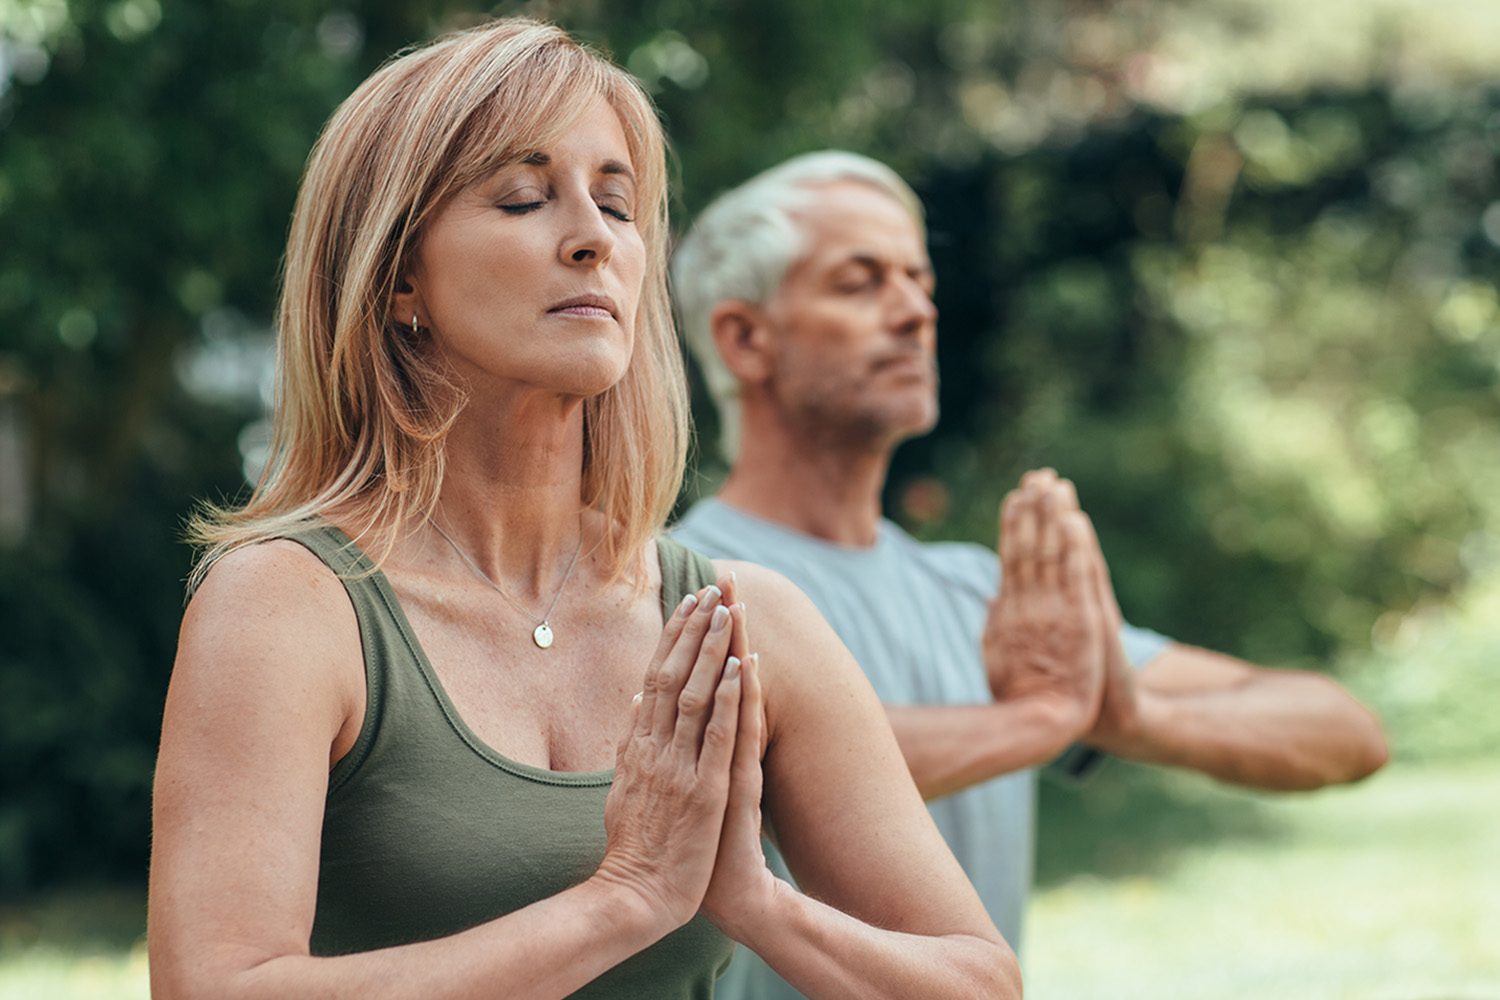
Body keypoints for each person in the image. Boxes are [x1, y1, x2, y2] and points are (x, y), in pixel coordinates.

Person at [147, 29, 1023, 1000]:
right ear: (400, 280)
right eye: (524, 197)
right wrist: (625, 898)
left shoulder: (743, 624)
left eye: (616, 202)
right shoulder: (285, 604)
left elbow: (978, 982)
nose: (593, 236)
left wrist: (758, 902)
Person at [669, 150, 1390, 999]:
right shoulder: (681, 586)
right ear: (745, 339)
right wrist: (1033, 723)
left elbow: (1346, 732)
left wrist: (1129, 715)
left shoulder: (985, 597)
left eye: (918, 280)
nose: (913, 312)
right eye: (860, 282)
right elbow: (769, 760)